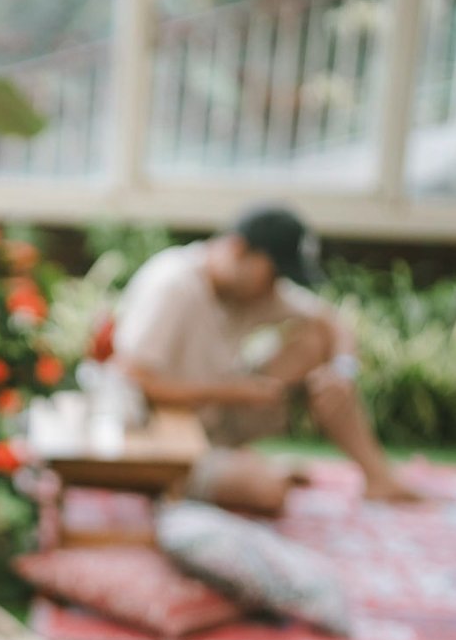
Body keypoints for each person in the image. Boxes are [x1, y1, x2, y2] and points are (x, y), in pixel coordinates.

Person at [112, 204, 424, 513]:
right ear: (238, 250)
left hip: (218, 416)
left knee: (312, 339)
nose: (277, 286)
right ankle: (214, 475)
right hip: (159, 431)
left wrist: (343, 371)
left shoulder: (256, 290)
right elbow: (134, 377)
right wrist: (233, 392)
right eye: (274, 273)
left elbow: (332, 322)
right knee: (267, 492)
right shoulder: (173, 284)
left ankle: (378, 477)